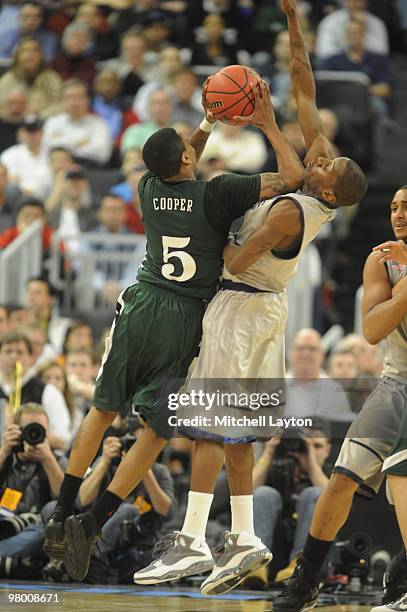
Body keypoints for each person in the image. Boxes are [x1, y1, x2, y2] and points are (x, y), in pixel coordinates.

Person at [132, 1, 367, 596]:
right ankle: (242, 538)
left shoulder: (294, 209)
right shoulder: (316, 179)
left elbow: (235, 259)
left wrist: (220, 219)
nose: (320, 151)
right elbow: (303, 83)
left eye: (328, 162)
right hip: (263, 314)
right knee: (237, 431)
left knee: (209, 428)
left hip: (239, 303)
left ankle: (188, 541)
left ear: (330, 190)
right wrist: (294, 21)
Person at [43, 76, 305, 583]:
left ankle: (60, 515)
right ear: (187, 160)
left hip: (141, 303)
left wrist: (206, 122)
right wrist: (266, 121)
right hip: (187, 318)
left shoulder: (148, 188)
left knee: (102, 410)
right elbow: (291, 174)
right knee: (158, 432)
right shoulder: (220, 192)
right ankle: (93, 523)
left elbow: (178, 158)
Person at [273, 183, 407, 611]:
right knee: (341, 480)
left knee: (404, 480)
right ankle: (308, 576)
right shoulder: (381, 260)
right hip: (395, 383)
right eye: (393, 207)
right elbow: (372, 330)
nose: (398, 214)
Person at [0, 403, 66, 578]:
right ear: (15, 430)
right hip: (3, 519)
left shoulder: (57, 460)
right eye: (28, 429)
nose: (33, 434)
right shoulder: (5, 455)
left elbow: (64, 501)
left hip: (34, 528)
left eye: (39, 430)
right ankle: (7, 561)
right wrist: (4, 451)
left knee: (40, 532)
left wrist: (48, 459)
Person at [0, 331, 71, 450]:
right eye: (8, 351)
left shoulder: (48, 392)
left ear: (30, 357)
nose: (13, 357)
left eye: (20, 352)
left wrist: (31, 430)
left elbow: (64, 442)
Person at [42, 79, 112, 167]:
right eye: (69, 97)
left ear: (87, 100)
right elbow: (47, 150)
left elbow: (103, 154)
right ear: (62, 100)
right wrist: (80, 143)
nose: (74, 102)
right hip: (57, 170)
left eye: (79, 97)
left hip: (89, 171)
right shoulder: (52, 122)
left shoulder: (100, 124)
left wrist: (63, 147)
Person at [315, 0, 389, 60]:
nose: (357, 4)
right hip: (337, 67)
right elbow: (323, 52)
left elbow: (382, 52)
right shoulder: (330, 21)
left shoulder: (377, 23)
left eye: (360, 1)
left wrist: (362, 27)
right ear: (345, 2)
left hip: (369, 66)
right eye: (352, 1)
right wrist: (349, 52)